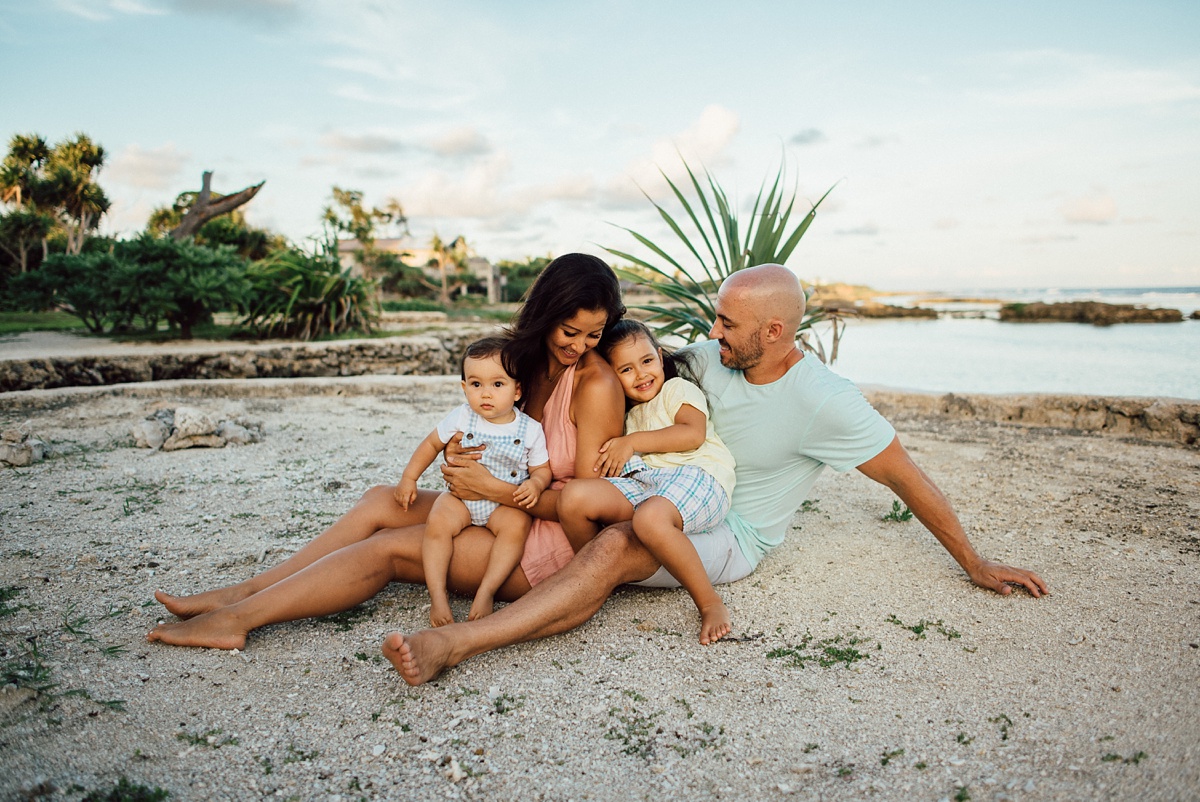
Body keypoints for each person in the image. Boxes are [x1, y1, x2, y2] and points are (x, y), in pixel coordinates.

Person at [382, 264, 1049, 686]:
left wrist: (975, 561)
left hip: (731, 534)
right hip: (663, 494)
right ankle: (570, 581)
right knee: (610, 520)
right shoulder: (708, 359)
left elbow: (906, 476)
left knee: (623, 539)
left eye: (727, 322)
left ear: (777, 330)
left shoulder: (825, 400)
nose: (712, 330)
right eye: (716, 318)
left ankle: (455, 643)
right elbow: (635, 362)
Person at [146, 253, 628, 650]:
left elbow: (587, 511)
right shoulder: (519, 363)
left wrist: (494, 489)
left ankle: (239, 619)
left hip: (543, 546)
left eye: (594, 333)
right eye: (570, 331)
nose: (581, 345)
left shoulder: (595, 384)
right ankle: (247, 591)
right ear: (545, 314)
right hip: (492, 504)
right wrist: (463, 456)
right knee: (381, 499)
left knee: (390, 549)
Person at [559, 319, 737, 644]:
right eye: (626, 370)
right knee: (574, 498)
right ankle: (593, 580)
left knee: (650, 519)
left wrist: (632, 442)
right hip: (650, 484)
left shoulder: (677, 389)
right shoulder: (628, 417)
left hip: (700, 477)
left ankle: (710, 603)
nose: (641, 374)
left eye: (646, 361)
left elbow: (692, 434)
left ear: (659, 355)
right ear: (612, 377)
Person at [397, 336, 551, 626]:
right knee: (437, 525)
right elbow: (431, 445)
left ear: (517, 390)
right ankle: (438, 596)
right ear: (464, 387)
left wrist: (537, 483)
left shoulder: (530, 429)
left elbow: (542, 468)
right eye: (476, 384)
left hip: (503, 503)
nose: (486, 394)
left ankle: (487, 590)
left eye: (497, 384)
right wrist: (409, 477)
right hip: (462, 499)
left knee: (516, 527)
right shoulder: (461, 417)